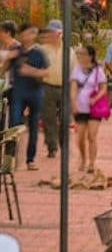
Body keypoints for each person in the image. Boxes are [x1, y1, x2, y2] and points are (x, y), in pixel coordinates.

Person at [8, 24, 49, 170]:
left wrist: (30, 71)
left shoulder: (39, 53)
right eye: (26, 33)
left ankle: (30, 159)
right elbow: (4, 69)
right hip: (18, 91)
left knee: (33, 126)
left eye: (32, 33)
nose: (29, 36)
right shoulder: (16, 52)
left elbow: (46, 73)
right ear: (21, 35)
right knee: (14, 124)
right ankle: (10, 159)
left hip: (35, 92)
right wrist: (7, 58)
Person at [69, 44, 106, 173]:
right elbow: (73, 87)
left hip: (94, 108)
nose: (80, 56)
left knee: (91, 136)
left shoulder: (98, 70)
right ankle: (83, 159)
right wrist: (73, 103)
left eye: (83, 54)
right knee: (80, 138)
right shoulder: (76, 70)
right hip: (80, 107)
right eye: (79, 54)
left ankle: (91, 163)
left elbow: (103, 87)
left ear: (90, 56)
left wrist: (96, 98)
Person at [38, 19, 71, 160]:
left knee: (65, 118)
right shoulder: (42, 50)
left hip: (65, 88)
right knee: (49, 119)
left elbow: (74, 70)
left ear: (60, 34)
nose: (52, 35)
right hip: (47, 87)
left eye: (54, 32)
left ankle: (64, 145)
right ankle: (52, 147)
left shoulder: (69, 50)